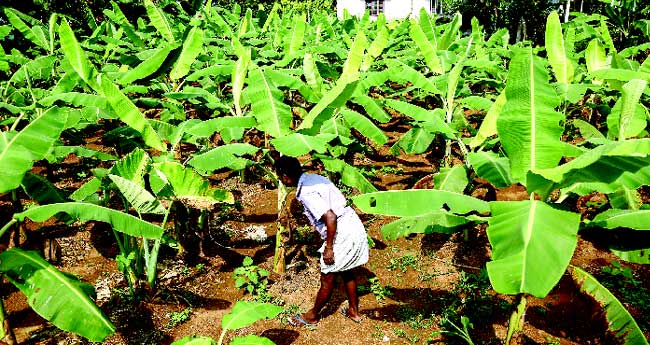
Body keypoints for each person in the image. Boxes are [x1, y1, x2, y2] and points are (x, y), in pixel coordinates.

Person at [274, 156, 369, 326]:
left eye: (280, 177)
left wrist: (330, 247)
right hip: (351, 223)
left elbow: (330, 217)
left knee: (327, 278)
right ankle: (354, 311)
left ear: (285, 177)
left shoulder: (306, 192)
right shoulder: (313, 178)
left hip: (342, 230)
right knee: (346, 270)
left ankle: (312, 316)